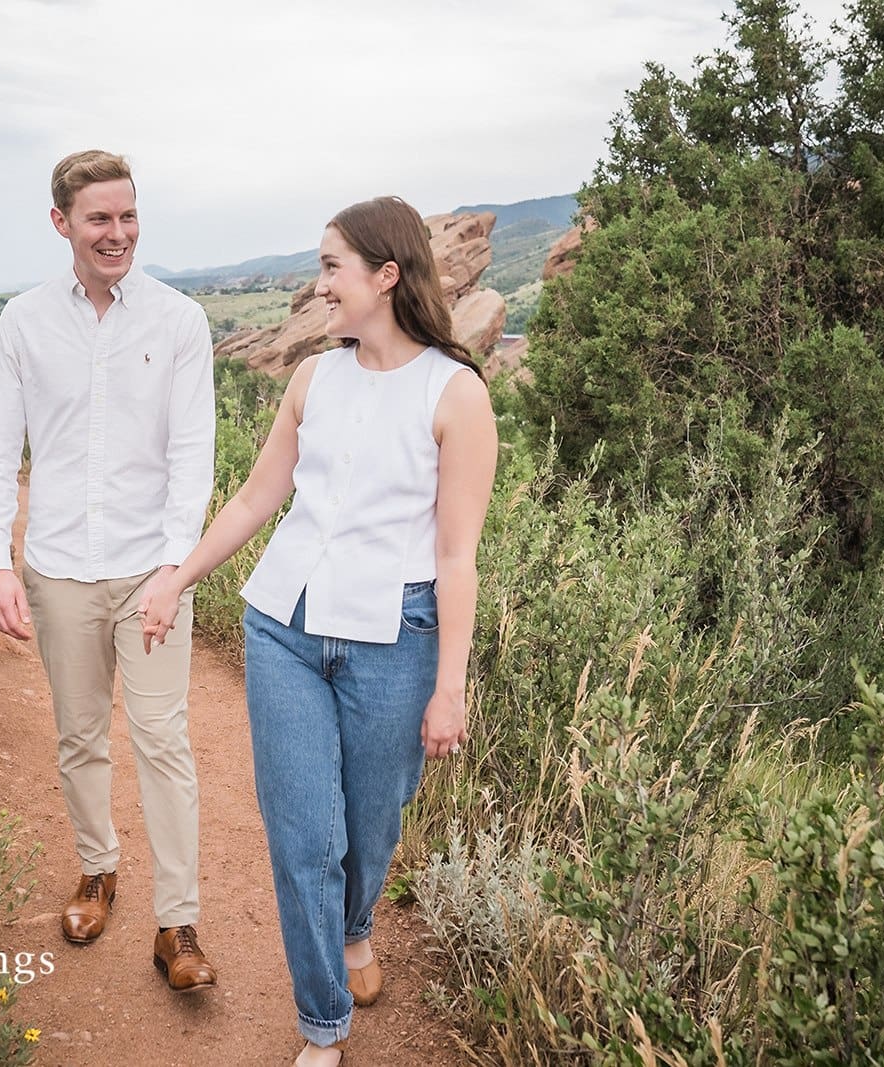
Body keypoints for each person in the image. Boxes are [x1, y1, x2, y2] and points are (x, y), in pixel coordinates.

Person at [137, 196, 498, 1065]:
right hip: (285, 629)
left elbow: (457, 558)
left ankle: (357, 924)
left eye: (333, 265)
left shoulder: (456, 394)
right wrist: (178, 575)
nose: (320, 282)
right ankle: (322, 1025)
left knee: (370, 831)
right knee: (305, 840)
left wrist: (450, 686)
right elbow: (262, 496)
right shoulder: (314, 378)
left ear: (387, 275)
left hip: (396, 636)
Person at [0, 149, 218, 991]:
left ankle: (177, 924)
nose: (118, 233)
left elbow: (193, 456)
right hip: (60, 570)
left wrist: (174, 567)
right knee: (80, 734)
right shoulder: (24, 322)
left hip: (152, 571)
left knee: (163, 739)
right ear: (62, 224)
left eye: (128, 215)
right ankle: (98, 869)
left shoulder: (180, 321)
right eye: (99, 219)